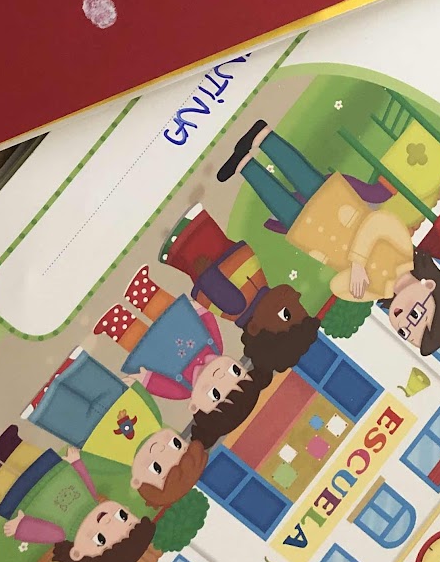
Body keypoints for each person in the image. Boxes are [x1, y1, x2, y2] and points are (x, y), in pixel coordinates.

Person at [218, 119, 440, 357]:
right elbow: (378, 223)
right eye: (415, 316)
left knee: (278, 202)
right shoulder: (404, 253)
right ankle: (264, 138)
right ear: (429, 285)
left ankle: (245, 165)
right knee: (301, 174)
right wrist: (358, 263)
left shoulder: (377, 290)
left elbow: (337, 285)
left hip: (314, 239)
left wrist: (365, 288)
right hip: (337, 207)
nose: (403, 320)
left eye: (404, 332)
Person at [94, 273, 272, 443]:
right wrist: (200, 310)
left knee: (134, 336)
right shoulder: (216, 347)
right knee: (162, 305)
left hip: (153, 351)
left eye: (215, 394)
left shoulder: (182, 391)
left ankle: (113, 321)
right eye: (235, 372)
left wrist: (143, 377)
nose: (221, 376)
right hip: (180, 321)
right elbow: (210, 325)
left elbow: (161, 385)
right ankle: (141, 288)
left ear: (195, 406)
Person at [19, 350, 202, 510]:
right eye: (176, 445)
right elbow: (148, 404)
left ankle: (42, 406)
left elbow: (101, 465)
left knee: (64, 414)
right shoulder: (155, 421)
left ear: (136, 481)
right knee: (94, 380)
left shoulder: (120, 465)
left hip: (88, 431)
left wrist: (79, 459)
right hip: (117, 398)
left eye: (157, 468)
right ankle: (76, 366)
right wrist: (136, 386)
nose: (162, 450)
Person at [0, 432, 154, 562]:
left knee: (4, 483)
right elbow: (86, 483)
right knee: (29, 457)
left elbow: (40, 531)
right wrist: (76, 463)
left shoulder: (61, 533)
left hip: (26, 497)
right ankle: (11, 446)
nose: (107, 521)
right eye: (122, 517)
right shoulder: (91, 500)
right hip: (54, 471)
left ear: (77, 552)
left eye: (100, 539)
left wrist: (20, 527)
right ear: (126, 509)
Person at [160, 202, 321, 372]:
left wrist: (206, 273)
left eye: (286, 313)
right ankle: (189, 231)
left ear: (255, 328)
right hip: (224, 256)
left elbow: (217, 290)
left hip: (210, 259)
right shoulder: (258, 292)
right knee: (212, 238)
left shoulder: (238, 305)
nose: (294, 296)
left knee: (201, 241)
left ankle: (183, 235)